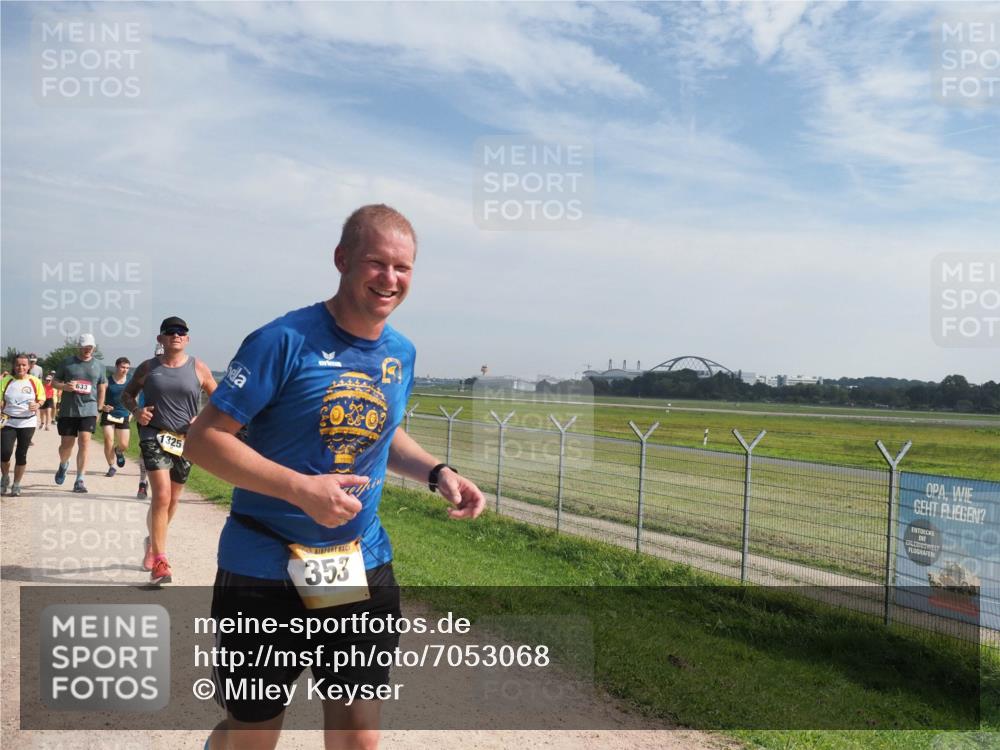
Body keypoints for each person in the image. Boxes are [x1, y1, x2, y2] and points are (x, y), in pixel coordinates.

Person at [185, 204, 486, 750]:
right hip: (264, 566)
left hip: (353, 562)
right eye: (376, 262)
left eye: (403, 267)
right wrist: (300, 490)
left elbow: (383, 430)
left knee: (357, 736)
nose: (389, 278)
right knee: (253, 735)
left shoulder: (401, 352)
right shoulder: (282, 340)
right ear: (342, 259)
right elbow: (204, 439)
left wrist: (437, 471)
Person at [122, 317, 216, 584]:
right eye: (171, 331)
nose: (176, 335)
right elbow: (126, 395)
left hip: (185, 440)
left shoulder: (199, 367)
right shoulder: (148, 367)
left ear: (187, 338)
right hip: (154, 434)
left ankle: (153, 544)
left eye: (181, 332)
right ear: (160, 338)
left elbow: (219, 399)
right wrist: (137, 411)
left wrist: (202, 418)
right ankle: (161, 562)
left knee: (173, 500)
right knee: (162, 495)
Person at [52, 333, 107, 493]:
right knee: (66, 446)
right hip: (69, 409)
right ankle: (63, 464)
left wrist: (99, 408)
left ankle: (80, 479)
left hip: (89, 408)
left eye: (90, 347)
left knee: (84, 442)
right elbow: (54, 382)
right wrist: (64, 387)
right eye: (84, 347)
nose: (87, 349)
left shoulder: (99, 366)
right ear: (78, 347)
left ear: (93, 347)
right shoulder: (67, 363)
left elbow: (102, 387)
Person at [1, 355, 45, 496]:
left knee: (21, 454)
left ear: (29, 366)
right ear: (14, 366)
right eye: (18, 365)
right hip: (8, 421)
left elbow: (41, 398)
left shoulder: (34, 381)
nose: (21, 367)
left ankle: (16, 484)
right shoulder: (7, 380)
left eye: (24, 365)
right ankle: (5, 477)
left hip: (27, 422)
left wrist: (37, 404)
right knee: (4, 453)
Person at [100, 357, 134, 478]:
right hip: (109, 414)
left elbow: (134, 397)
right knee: (108, 440)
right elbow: (99, 395)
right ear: (116, 366)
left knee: (124, 445)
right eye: (122, 367)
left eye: (127, 368)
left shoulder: (130, 380)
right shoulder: (107, 380)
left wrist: (132, 412)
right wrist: (102, 406)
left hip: (123, 414)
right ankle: (112, 466)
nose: (125, 370)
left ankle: (118, 451)